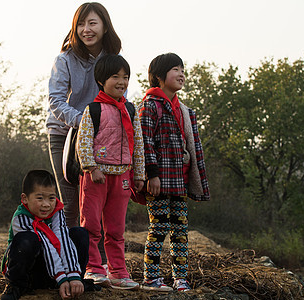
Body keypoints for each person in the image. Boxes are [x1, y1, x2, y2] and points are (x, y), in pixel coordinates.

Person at [138, 53, 210, 292]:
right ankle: (152, 277)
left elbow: (191, 146)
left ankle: (180, 277)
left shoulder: (185, 111)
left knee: (180, 230)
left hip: (179, 180)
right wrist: (152, 174)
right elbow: (145, 142)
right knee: (158, 228)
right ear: (159, 76)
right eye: (175, 69)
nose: (181, 74)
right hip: (158, 180)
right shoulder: (149, 106)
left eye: (182, 70)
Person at [46, 2, 122, 229]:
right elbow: (56, 102)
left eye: (92, 23)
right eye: (80, 24)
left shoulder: (114, 61)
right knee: (71, 204)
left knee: (97, 203)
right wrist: (86, 122)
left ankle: (99, 264)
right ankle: (71, 261)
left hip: (101, 139)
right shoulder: (65, 60)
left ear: (105, 27)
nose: (86, 29)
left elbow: (119, 100)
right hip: (65, 135)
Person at [76, 54, 145, 290]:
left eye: (125, 77)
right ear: (101, 81)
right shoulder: (93, 109)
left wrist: (139, 175)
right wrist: (91, 167)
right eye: (115, 76)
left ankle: (118, 271)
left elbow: (138, 143)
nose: (121, 81)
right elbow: (83, 141)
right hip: (96, 177)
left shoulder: (131, 110)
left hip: (122, 177)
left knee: (116, 229)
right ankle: (93, 268)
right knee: (92, 225)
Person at [0, 170, 89, 300]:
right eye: (40, 198)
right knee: (27, 240)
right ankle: (16, 285)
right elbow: (47, 245)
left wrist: (72, 275)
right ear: (25, 198)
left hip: (52, 270)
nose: (46, 204)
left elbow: (62, 240)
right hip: (31, 271)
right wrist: (60, 277)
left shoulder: (57, 213)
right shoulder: (21, 218)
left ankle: (75, 283)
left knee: (79, 233)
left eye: (51, 198)